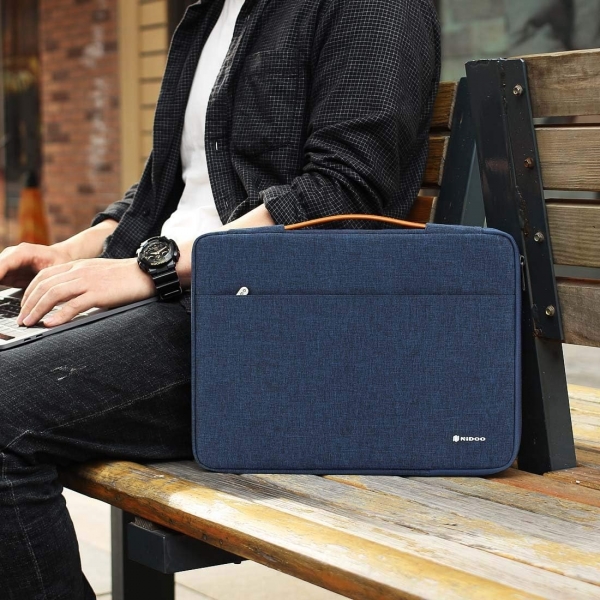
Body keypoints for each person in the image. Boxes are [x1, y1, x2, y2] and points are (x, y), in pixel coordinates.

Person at [0, 0, 440, 597]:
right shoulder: (211, 12)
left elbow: (346, 193)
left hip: (267, 318)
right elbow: (177, 182)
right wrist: (77, 250)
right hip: (184, 293)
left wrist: (151, 267)